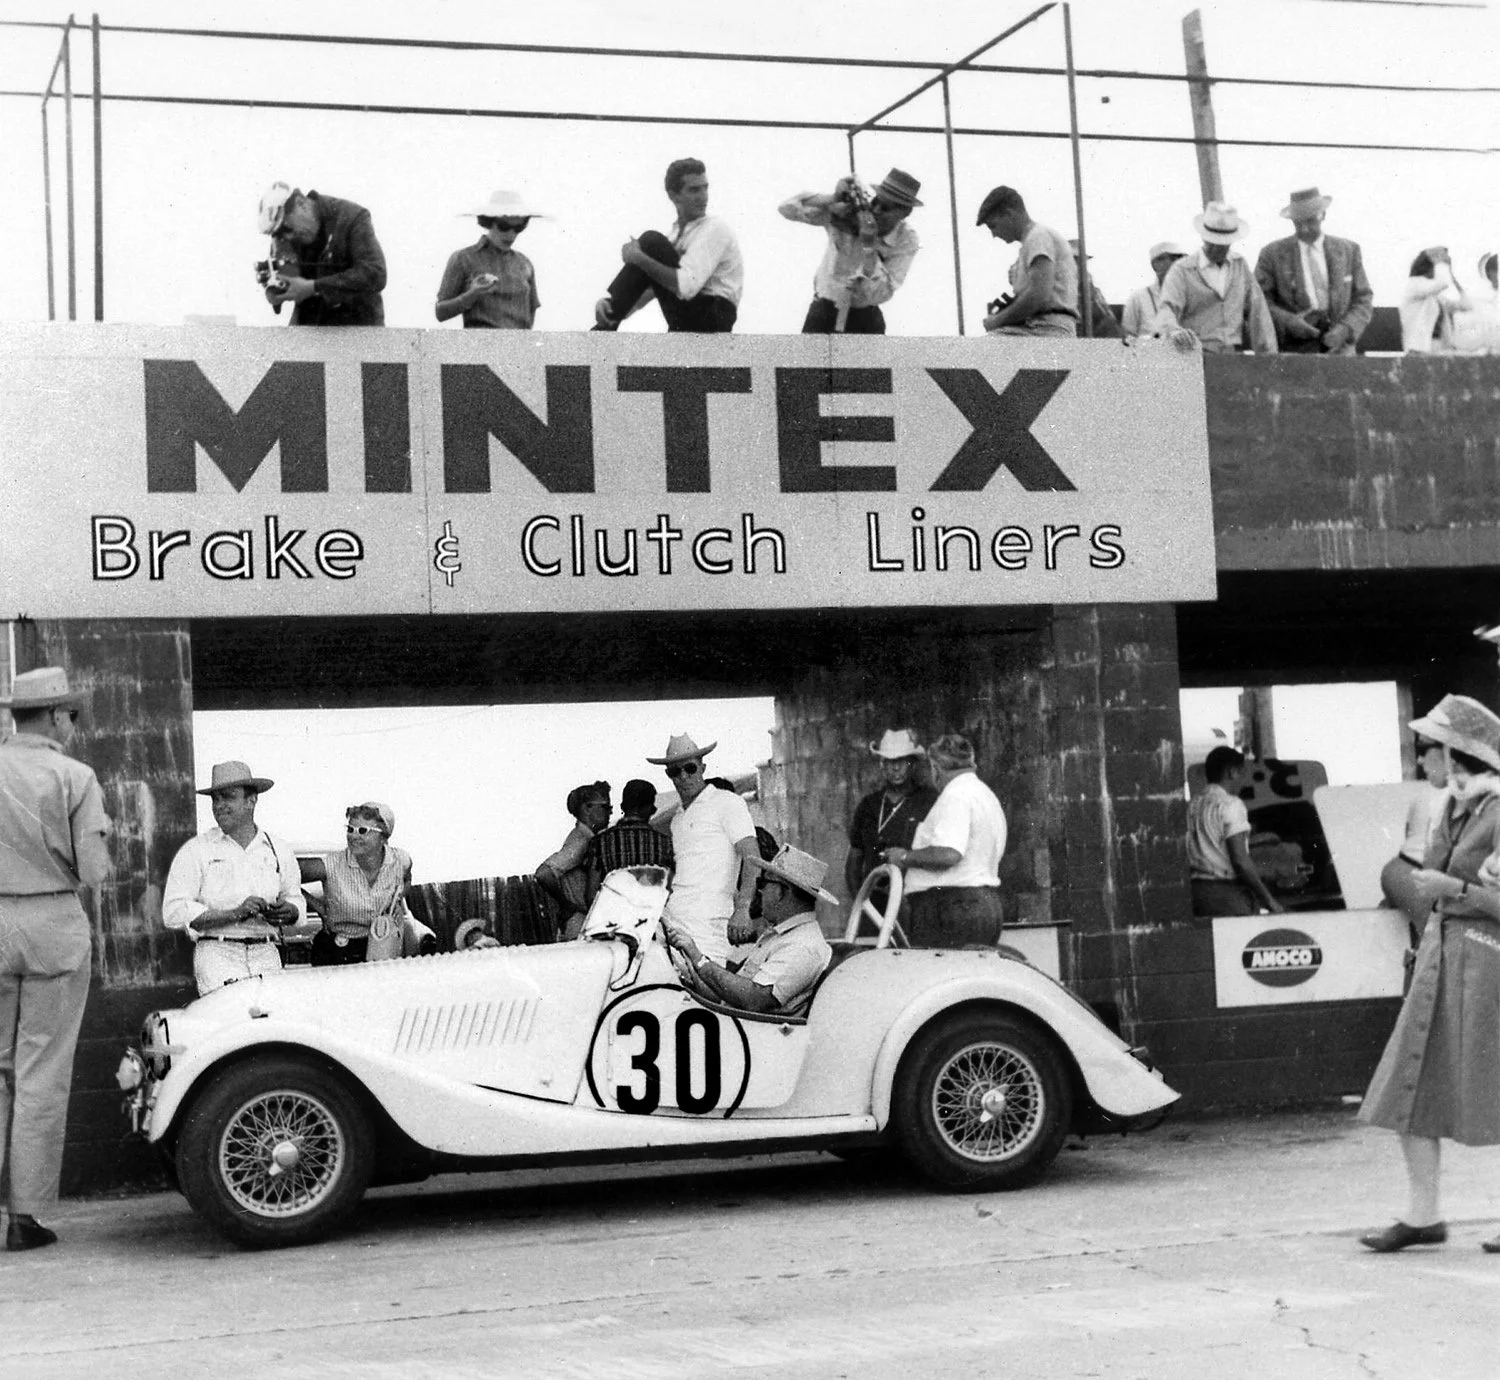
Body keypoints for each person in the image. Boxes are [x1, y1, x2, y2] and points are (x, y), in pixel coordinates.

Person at [1357, 694, 1500, 1254]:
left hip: (1488, 966)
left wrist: (1454, 891)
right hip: (1442, 960)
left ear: (1458, 755)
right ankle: (1423, 1216)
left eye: (1430, 752)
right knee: (1407, 1088)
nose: (1423, 763)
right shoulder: (1450, 808)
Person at [0, 668, 111, 1253]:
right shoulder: (73, 776)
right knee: (40, 1073)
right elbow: (95, 870)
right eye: (70, 713)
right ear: (51, 716)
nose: (74, 722)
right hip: (51, 922)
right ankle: (25, 1218)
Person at [162, 761, 307, 994]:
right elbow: (174, 911)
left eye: (227, 797)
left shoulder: (277, 848)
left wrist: (289, 911)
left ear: (252, 800)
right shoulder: (197, 849)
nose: (219, 806)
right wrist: (235, 913)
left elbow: (295, 899)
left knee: (270, 1024)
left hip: (267, 952)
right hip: (218, 953)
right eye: (215, 799)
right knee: (229, 1023)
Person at [664, 844, 834, 1015]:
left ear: (781, 892)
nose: (759, 891)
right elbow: (728, 996)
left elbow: (753, 999)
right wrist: (689, 962)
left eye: (763, 882)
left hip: (754, 1036)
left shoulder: (803, 945)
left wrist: (698, 958)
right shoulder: (781, 936)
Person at [882, 734, 1006, 948]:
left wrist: (903, 857)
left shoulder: (955, 796)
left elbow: (949, 853)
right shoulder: (985, 794)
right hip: (984, 905)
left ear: (935, 767)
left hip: (952, 908)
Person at [593, 158, 743, 333]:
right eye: (694, 190)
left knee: (650, 241)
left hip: (714, 315)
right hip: (691, 316)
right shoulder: (674, 235)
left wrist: (639, 258)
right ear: (673, 195)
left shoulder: (715, 229)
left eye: (705, 188)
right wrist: (610, 304)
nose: (703, 196)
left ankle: (604, 327)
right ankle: (609, 317)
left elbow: (686, 286)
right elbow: (652, 288)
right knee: (649, 249)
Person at [649, 733, 759, 963]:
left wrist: (743, 908)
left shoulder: (727, 802)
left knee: (708, 989)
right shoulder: (677, 818)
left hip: (709, 923)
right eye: (674, 771)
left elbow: (753, 858)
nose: (683, 776)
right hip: (673, 920)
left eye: (690, 768)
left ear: (702, 767)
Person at [778, 168, 922, 334]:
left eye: (886, 208)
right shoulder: (847, 215)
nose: (876, 211)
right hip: (824, 312)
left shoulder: (907, 239)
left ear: (905, 213)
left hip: (864, 318)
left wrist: (869, 247)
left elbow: (883, 293)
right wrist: (832, 198)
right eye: (876, 202)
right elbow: (786, 208)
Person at [1253, 187, 1374, 355]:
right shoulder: (1271, 254)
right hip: (1293, 351)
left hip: (1340, 350)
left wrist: (1346, 328)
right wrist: (1288, 322)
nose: (1304, 229)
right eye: (1298, 223)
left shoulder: (1349, 251)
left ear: (1323, 215)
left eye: (1310, 221)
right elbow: (1260, 300)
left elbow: (1363, 297)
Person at [1151, 203, 1278, 355]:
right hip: (1194, 357)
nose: (1219, 248)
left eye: (1224, 244)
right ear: (1204, 237)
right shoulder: (1182, 270)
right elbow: (1167, 309)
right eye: (1214, 242)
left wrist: (1269, 358)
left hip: (1231, 359)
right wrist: (1173, 332)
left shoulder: (1240, 266)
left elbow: (1259, 314)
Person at [255, 183, 387, 326]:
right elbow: (287, 277)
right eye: (278, 234)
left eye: (286, 229)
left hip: (358, 328)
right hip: (310, 329)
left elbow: (375, 274)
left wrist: (314, 287)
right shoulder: (284, 238)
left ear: (301, 204)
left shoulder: (352, 217)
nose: (286, 238)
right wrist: (277, 292)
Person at [299, 802, 414, 966]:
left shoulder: (400, 860)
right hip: (338, 952)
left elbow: (407, 878)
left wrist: (397, 900)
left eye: (362, 830)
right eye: (350, 829)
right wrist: (319, 909)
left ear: (383, 837)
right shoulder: (332, 864)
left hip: (381, 949)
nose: (353, 836)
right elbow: (284, 876)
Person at [1187, 746, 1284, 917]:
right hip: (1226, 896)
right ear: (1232, 772)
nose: (1244, 781)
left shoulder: (1193, 805)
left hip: (1195, 894)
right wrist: (1269, 900)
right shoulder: (1230, 804)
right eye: (1242, 773)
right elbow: (1240, 861)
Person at [845, 727, 939, 895]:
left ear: (912, 764)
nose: (896, 768)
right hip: (874, 900)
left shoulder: (929, 800)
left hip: (913, 898)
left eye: (902, 761)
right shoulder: (869, 805)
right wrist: (860, 901)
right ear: (882, 765)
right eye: (889, 761)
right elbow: (854, 859)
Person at [975, 186, 1078, 337]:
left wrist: (997, 320)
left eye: (993, 226)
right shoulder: (1034, 241)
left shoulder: (1037, 237)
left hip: (1046, 329)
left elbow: (1039, 294)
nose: (994, 234)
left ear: (1008, 214)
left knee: (980, 351)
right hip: (1042, 328)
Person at [434, 189, 546, 329]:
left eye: (518, 228)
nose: (511, 235)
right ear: (489, 222)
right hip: (480, 344)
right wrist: (472, 294)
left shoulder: (524, 263)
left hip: (518, 346)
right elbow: (440, 313)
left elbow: (532, 309)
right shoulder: (463, 258)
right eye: (504, 226)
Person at [1380, 737, 1449, 928]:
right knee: (1438, 941)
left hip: (1398, 872)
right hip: (1415, 876)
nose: (1419, 761)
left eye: (1422, 752)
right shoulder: (1450, 795)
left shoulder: (1427, 794)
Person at [535, 782, 611, 941]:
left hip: (580, 921)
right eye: (605, 807)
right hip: (581, 921)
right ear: (586, 809)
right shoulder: (581, 841)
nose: (610, 812)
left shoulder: (585, 838)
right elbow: (544, 873)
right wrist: (566, 904)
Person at [583, 778, 674, 910]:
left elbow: (591, 896)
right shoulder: (665, 844)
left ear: (622, 807)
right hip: (650, 923)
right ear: (650, 808)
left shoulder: (599, 842)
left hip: (613, 923)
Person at [1399, 247, 1467, 354]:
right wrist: (1440, 262)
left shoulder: (1435, 299)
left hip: (1435, 351)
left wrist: (1453, 277)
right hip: (1417, 350)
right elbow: (1442, 283)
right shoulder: (1414, 284)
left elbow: (1466, 305)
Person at [1121, 242, 1188, 341]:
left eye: (1181, 258)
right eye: (1173, 258)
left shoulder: (1192, 297)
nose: (1179, 263)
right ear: (1155, 264)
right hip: (1148, 354)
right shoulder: (1138, 298)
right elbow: (1127, 338)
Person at [1067, 239, 1124, 339]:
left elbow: (1106, 317)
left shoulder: (1093, 289)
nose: (1078, 264)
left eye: (1081, 260)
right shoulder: (1058, 288)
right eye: (1074, 259)